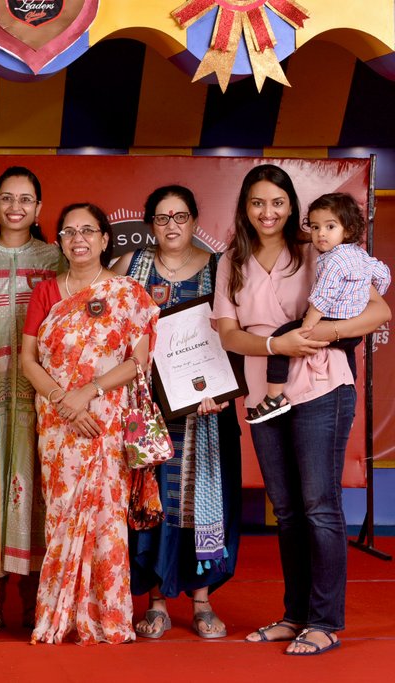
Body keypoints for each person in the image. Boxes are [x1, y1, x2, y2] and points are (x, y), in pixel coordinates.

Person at [212, 164, 390, 656]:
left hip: (321, 387)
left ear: (293, 207)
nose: (267, 212)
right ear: (244, 208)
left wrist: (316, 336)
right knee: (287, 510)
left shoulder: (320, 250)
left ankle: (325, 621)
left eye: (277, 202)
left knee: (318, 505)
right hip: (265, 393)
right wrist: (275, 344)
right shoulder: (231, 259)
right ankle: (295, 615)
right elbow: (228, 334)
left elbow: (379, 312)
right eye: (256, 203)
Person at [21, 202, 159, 645]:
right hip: (59, 424)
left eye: (87, 231)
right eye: (68, 232)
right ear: (59, 241)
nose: (77, 239)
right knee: (61, 516)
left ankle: (106, 616)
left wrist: (89, 392)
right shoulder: (46, 292)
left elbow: (139, 360)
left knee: (106, 520)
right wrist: (64, 401)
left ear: (104, 239)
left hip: (105, 423)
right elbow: (28, 360)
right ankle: (59, 614)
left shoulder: (128, 292)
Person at [111, 186, 241, 640]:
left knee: (203, 500)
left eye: (180, 217)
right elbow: (107, 329)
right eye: (162, 218)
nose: (172, 226)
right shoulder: (131, 268)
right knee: (152, 501)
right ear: (150, 223)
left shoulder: (219, 268)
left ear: (193, 220)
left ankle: (202, 600)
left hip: (207, 409)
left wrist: (225, 388)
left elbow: (236, 333)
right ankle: (158, 601)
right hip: (145, 408)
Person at [0, 166, 64, 630]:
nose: (16, 207)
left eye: (26, 199)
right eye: (7, 198)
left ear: (39, 208)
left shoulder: (56, 258)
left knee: (37, 493)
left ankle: (33, 599)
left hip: (40, 396)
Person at [246, 192, 390, 424]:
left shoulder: (334, 260)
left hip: (327, 318)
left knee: (281, 337)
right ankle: (347, 406)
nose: (320, 233)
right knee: (346, 355)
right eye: (315, 227)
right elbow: (383, 274)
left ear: (349, 230)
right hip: (350, 328)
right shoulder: (359, 255)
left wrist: (307, 329)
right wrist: (361, 296)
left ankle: (273, 397)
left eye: (330, 226)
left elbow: (321, 299)